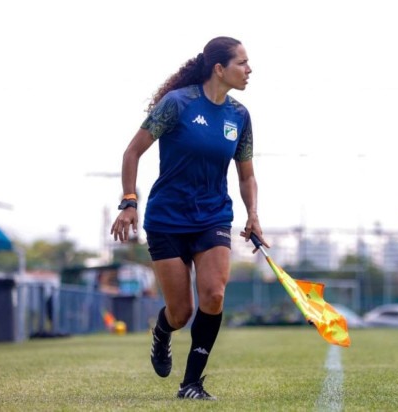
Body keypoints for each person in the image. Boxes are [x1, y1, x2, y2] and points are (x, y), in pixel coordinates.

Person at [110, 36, 268, 400]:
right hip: (167, 218)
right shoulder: (177, 104)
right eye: (242, 63)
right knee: (181, 312)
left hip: (213, 216)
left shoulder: (239, 116)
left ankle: (191, 384)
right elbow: (132, 152)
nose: (249, 70)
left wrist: (253, 215)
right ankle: (162, 332)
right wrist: (129, 200)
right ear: (219, 68)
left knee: (214, 294)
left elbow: (246, 175)